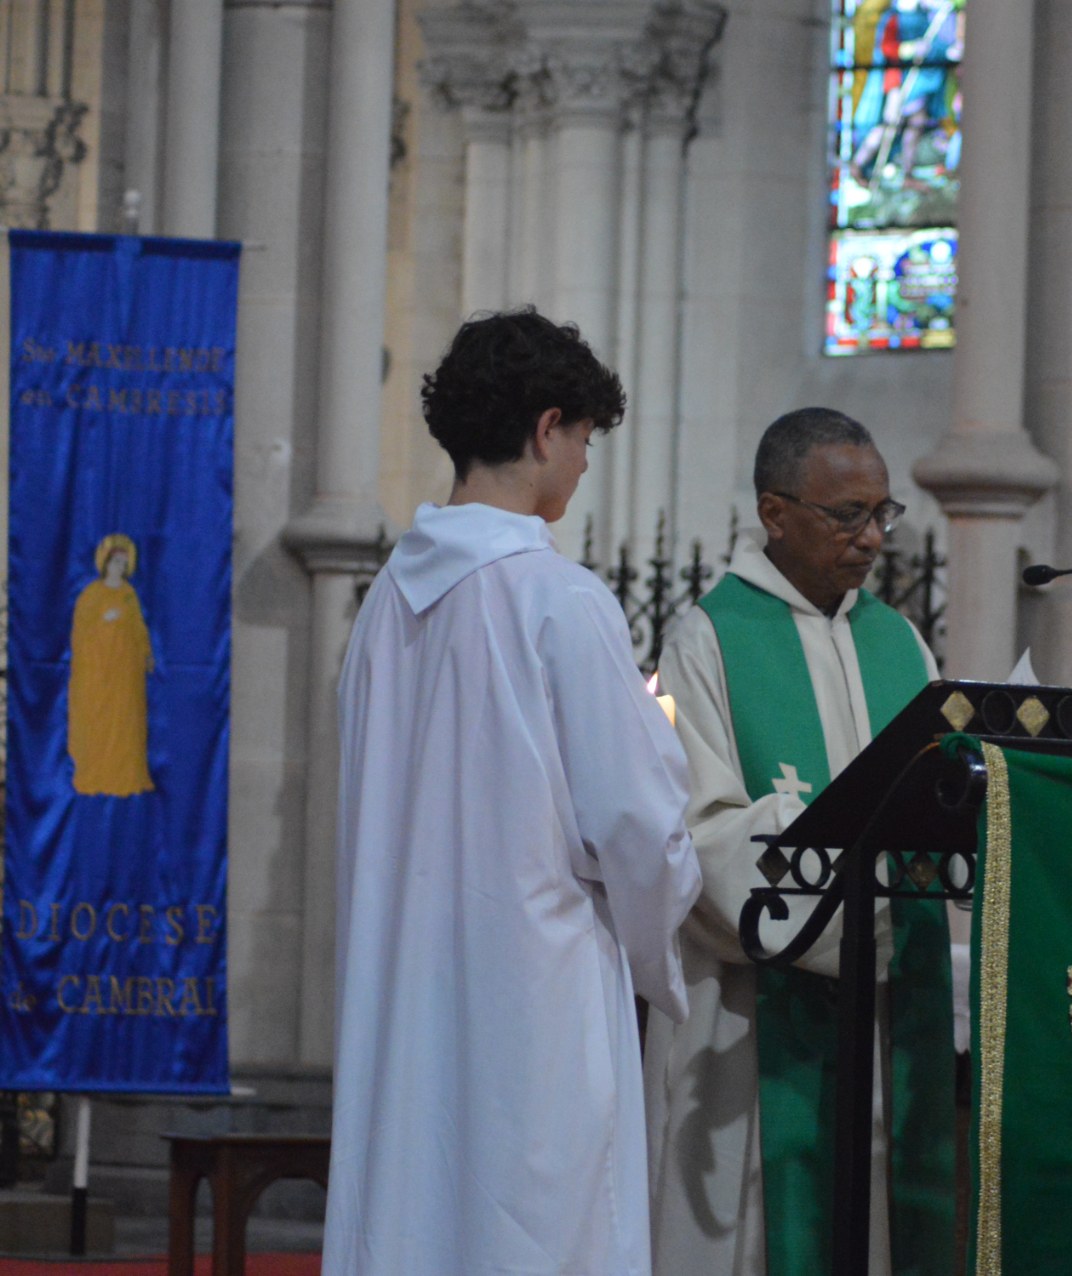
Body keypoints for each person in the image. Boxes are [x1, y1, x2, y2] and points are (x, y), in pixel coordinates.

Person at [323, 310, 702, 1276]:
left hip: (401, 1001)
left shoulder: (380, 611)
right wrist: (664, 960)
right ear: (545, 428)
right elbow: (642, 826)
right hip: (533, 1013)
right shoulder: (557, 600)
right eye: (581, 439)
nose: (581, 465)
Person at [648, 408, 952, 1276]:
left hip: (889, 1006)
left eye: (883, 514)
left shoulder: (899, 641)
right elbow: (696, 834)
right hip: (757, 1016)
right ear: (774, 513)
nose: (871, 539)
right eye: (846, 515)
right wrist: (812, 846)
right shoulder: (709, 638)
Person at [68, 532, 155, 796]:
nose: (119, 567)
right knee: (101, 724)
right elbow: (81, 634)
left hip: (126, 674)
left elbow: (139, 629)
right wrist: (104, 621)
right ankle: (99, 773)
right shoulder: (91, 595)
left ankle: (125, 775)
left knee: (126, 723)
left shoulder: (129, 594)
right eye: (115, 562)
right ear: (105, 563)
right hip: (99, 674)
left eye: (123, 562)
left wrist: (146, 653)